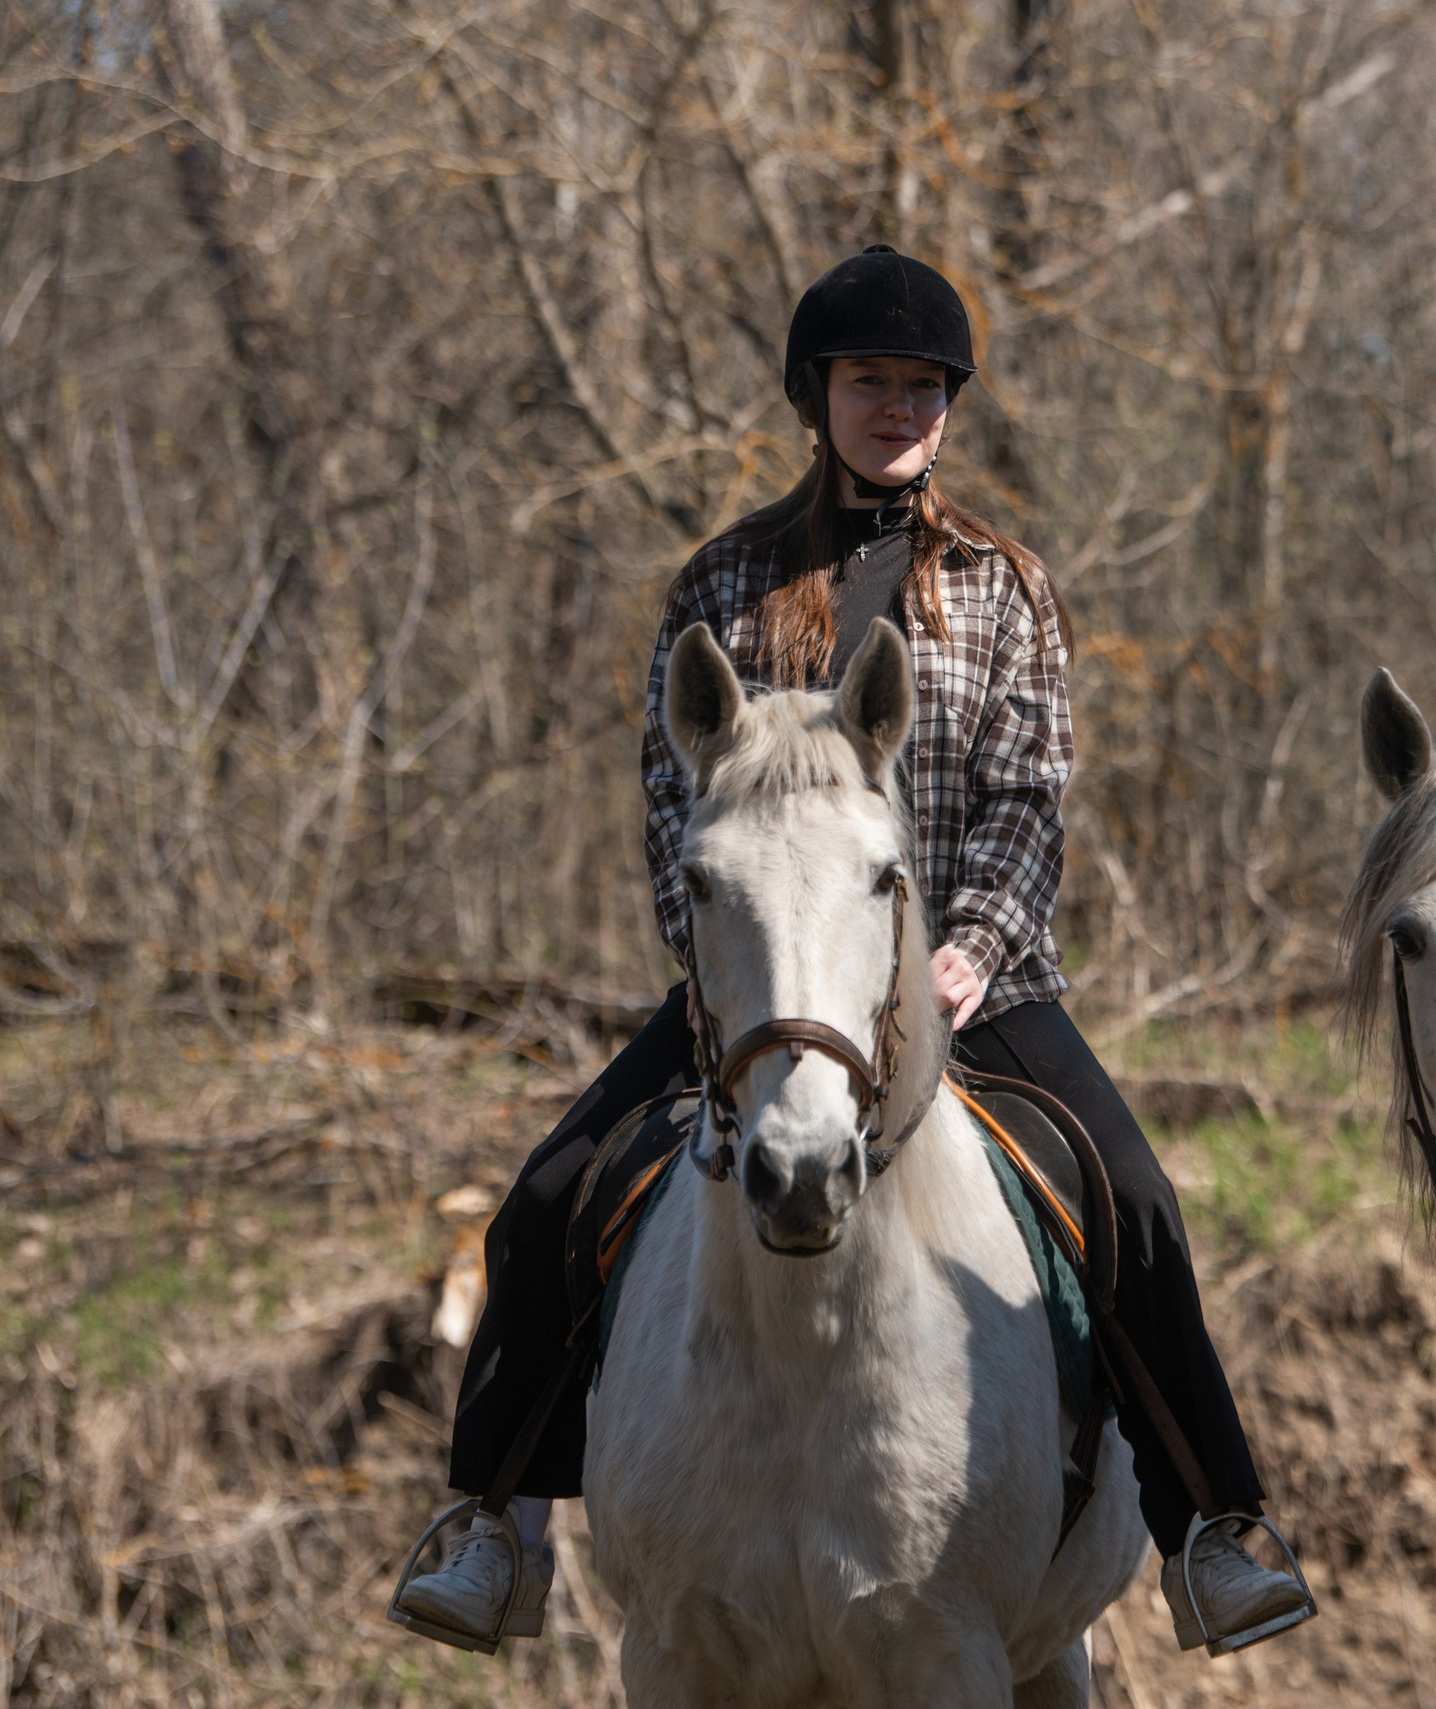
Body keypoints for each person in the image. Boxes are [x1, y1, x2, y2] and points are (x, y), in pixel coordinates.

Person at [393, 245, 1313, 1658]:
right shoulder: (723, 586)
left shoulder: (1006, 588)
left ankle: (1215, 1527)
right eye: (872, 380)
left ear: (949, 406)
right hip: (766, 994)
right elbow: (674, 812)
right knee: (548, 1193)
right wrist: (724, 983)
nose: (899, 406)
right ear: (817, 393)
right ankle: (491, 1526)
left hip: (969, 990)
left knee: (1135, 1198)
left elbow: (1030, 803)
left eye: (923, 385)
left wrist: (972, 949)